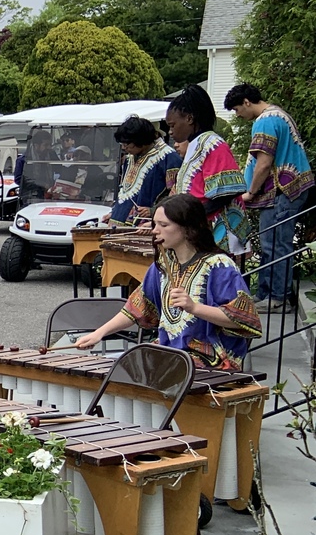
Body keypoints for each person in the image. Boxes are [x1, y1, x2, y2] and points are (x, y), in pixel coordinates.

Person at [75, 195, 261, 370]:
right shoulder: (163, 265)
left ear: (188, 228)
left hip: (208, 359)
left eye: (163, 225)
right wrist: (99, 333)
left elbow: (243, 319)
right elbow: (136, 308)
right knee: (123, 369)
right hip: (169, 352)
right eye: (155, 224)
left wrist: (194, 308)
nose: (155, 230)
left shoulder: (219, 266)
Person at [227, 82, 314, 309]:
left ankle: (277, 298)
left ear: (247, 102)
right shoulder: (280, 115)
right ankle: (265, 293)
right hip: (291, 189)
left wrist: (250, 192)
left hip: (282, 192)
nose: (238, 115)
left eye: (237, 109)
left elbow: (263, 163)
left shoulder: (265, 121)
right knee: (272, 243)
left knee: (276, 245)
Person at [166, 84, 247, 256]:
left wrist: (192, 216)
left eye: (172, 125)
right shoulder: (195, 145)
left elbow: (226, 192)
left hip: (219, 233)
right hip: (201, 231)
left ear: (189, 118)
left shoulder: (212, 144)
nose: (170, 132)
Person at [109, 115, 181, 225]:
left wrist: (154, 210)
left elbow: (176, 194)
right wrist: (114, 213)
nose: (124, 148)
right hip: (118, 224)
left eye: (127, 144)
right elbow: (124, 193)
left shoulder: (168, 158)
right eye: (122, 144)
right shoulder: (129, 158)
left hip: (146, 226)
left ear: (140, 140)